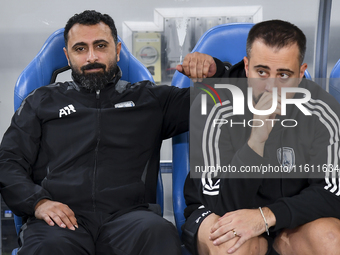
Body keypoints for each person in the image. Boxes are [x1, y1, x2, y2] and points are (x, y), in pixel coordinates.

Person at [0, 10, 202, 255]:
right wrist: (38, 202)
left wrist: (216, 71)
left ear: (116, 50)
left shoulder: (150, 100)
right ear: (68, 55)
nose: (91, 57)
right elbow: (8, 162)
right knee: (46, 247)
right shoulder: (41, 102)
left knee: (158, 233)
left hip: (131, 219)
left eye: (100, 46)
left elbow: (230, 102)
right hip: (61, 220)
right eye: (80, 49)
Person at [181, 20, 340, 255]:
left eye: (284, 74)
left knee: (330, 238)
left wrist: (266, 217)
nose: (271, 87)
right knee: (230, 243)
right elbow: (219, 202)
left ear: (301, 72)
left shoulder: (322, 109)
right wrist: (256, 141)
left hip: (288, 217)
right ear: (246, 67)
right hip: (219, 210)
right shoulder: (215, 105)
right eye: (262, 72)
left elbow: (332, 192)